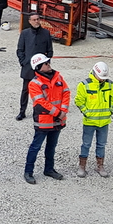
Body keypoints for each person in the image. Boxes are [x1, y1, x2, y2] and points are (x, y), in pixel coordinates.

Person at [23, 54, 69, 184]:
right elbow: (40, 102)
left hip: (57, 120)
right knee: (36, 146)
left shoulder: (58, 77)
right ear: (38, 67)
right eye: (46, 63)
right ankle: (28, 172)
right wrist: (58, 113)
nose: (49, 64)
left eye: (48, 62)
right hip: (44, 121)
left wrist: (63, 111)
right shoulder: (34, 83)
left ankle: (49, 169)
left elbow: (66, 92)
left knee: (51, 146)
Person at [75, 61, 113, 178]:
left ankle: (100, 166)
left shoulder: (110, 84)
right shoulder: (84, 85)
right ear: (94, 73)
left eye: (104, 77)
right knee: (86, 144)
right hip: (89, 121)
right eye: (100, 77)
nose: (102, 80)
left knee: (101, 144)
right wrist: (86, 113)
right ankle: (82, 166)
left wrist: (110, 111)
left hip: (104, 122)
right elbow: (79, 101)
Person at [15, 13, 53, 119]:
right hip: (28, 67)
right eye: (34, 20)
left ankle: (40, 111)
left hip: (42, 70)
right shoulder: (25, 33)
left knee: (43, 91)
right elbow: (20, 50)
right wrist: (23, 62)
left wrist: (46, 64)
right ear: (30, 21)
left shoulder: (46, 33)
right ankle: (22, 112)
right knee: (25, 91)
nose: (37, 21)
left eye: (38, 19)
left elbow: (50, 51)